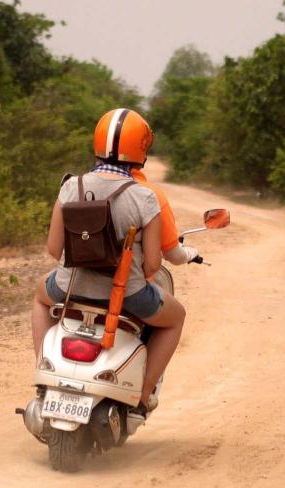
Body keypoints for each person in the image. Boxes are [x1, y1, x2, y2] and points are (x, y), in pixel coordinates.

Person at [31, 108, 186, 413]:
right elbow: (153, 265)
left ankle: (44, 374)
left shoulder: (70, 186)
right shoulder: (144, 198)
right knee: (176, 318)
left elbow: (53, 249)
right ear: (141, 148)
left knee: (39, 299)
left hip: (69, 289)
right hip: (127, 296)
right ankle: (141, 395)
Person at [131, 167, 199, 265]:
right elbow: (174, 256)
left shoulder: (100, 185)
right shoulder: (152, 194)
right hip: (129, 276)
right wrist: (192, 252)